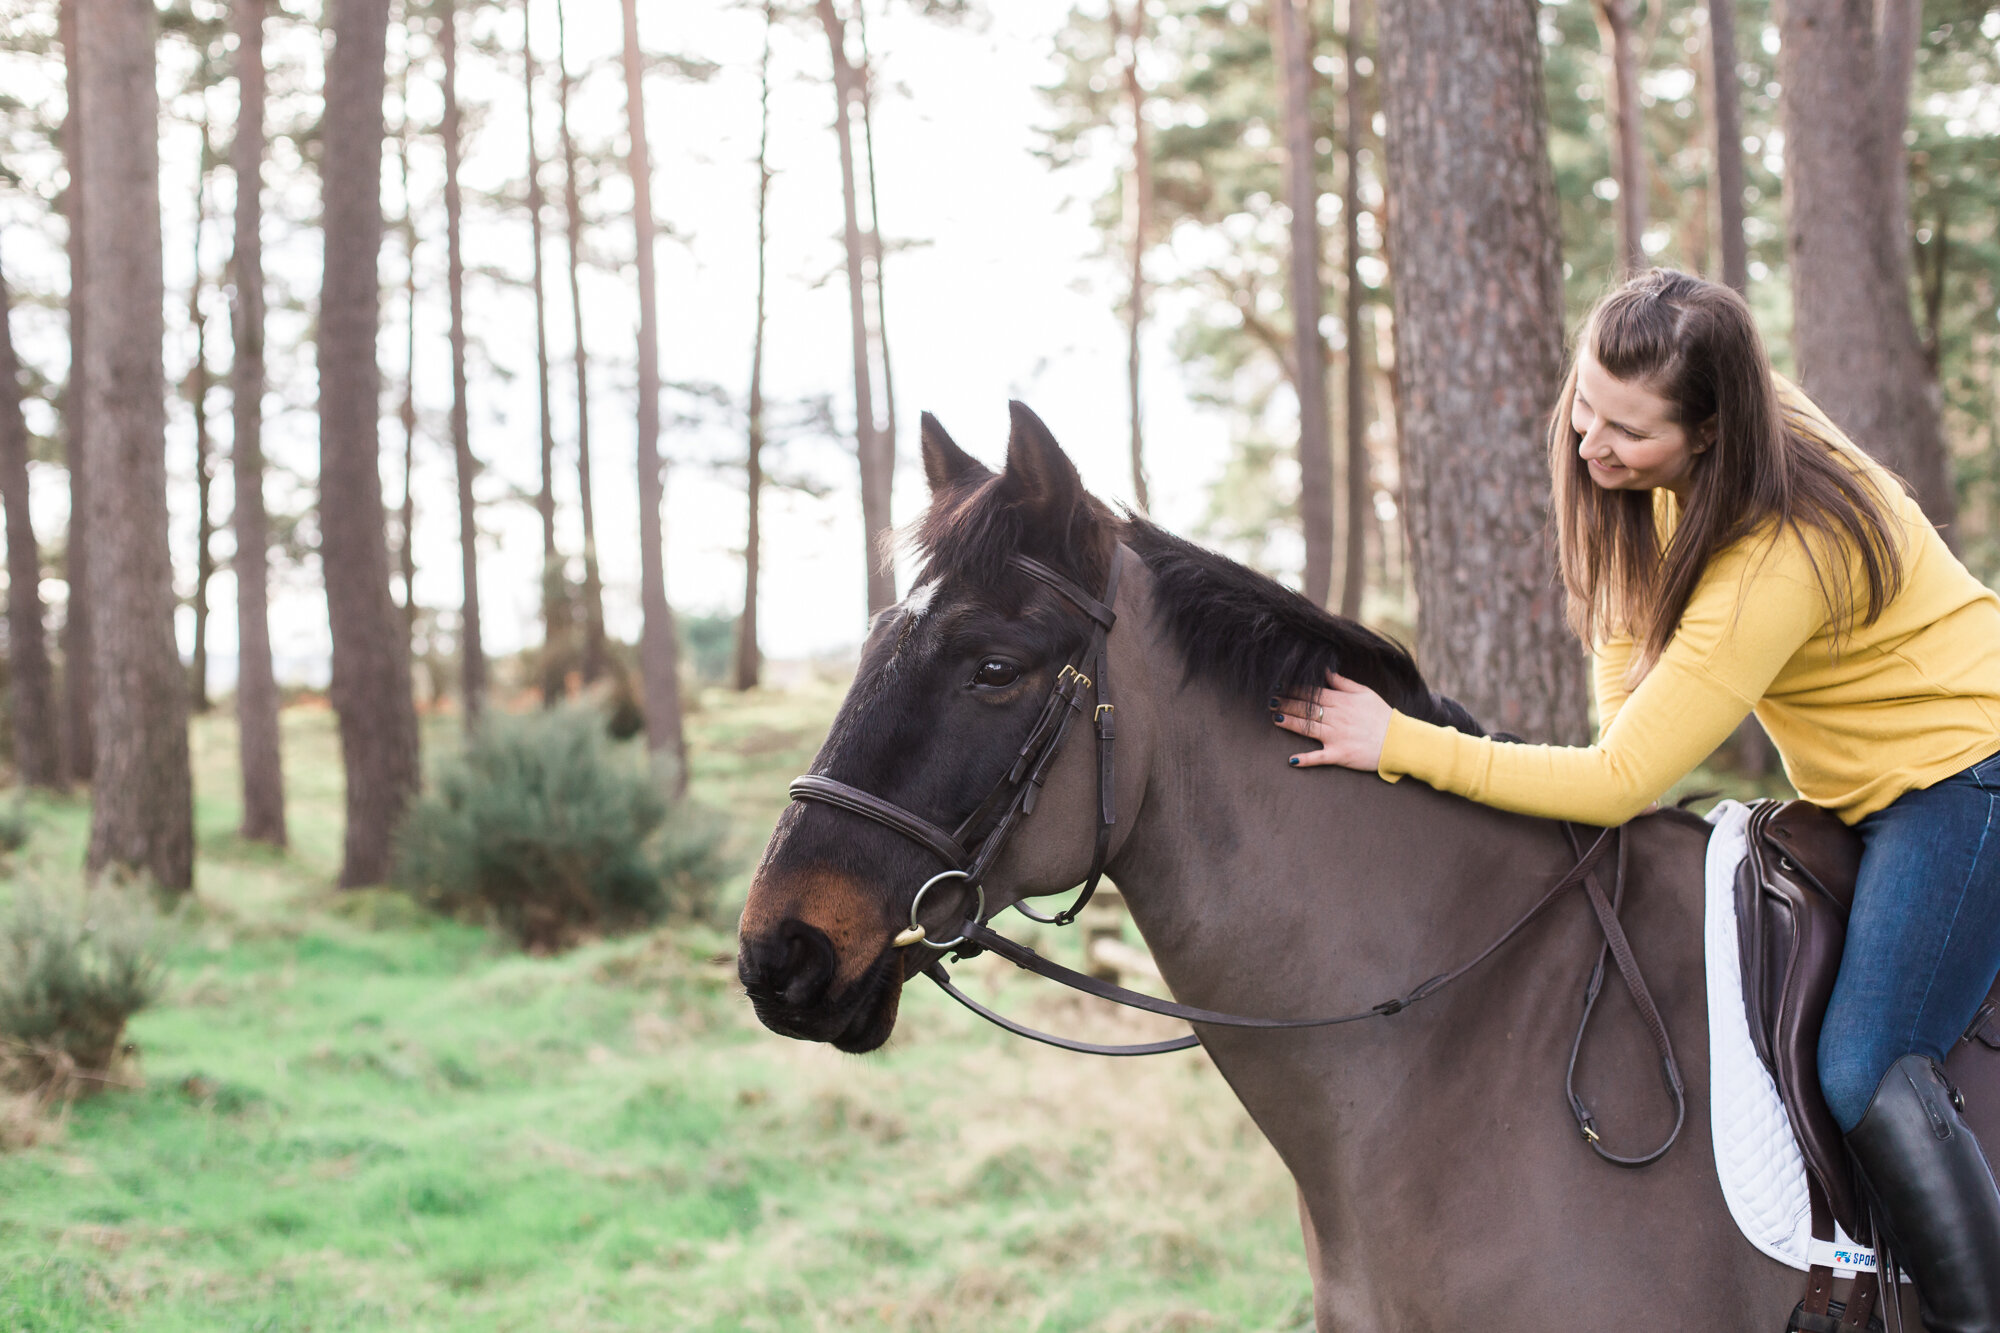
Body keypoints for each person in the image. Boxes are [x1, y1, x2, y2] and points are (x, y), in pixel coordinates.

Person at [1272, 269, 2000, 1331]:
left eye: (1628, 433)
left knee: (1859, 1062)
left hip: (1961, 771)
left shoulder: (1776, 557)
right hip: (1857, 782)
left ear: (1707, 433)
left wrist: (1399, 745)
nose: (1589, 445)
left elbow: (1620, 779)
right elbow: (1626, 670)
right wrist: (1621, 572)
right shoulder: (1711, 414)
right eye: (1584, 406)